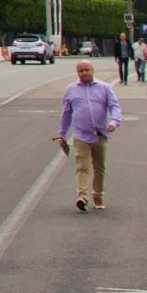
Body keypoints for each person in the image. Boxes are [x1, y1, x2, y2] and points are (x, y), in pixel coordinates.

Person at [54, 59, 122, 212]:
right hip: (80, 136)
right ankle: (82, 197)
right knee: (82, 167)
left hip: (100, 135)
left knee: (99, 167)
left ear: (92, 70)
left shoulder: (104, 88)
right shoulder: (71, 89)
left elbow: (115, 106)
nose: (83, 73)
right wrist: (62, 134)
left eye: (86, 70)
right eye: (80, 71)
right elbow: (66, 113)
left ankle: (98, 194)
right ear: (77, 72)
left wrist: (114, 122)